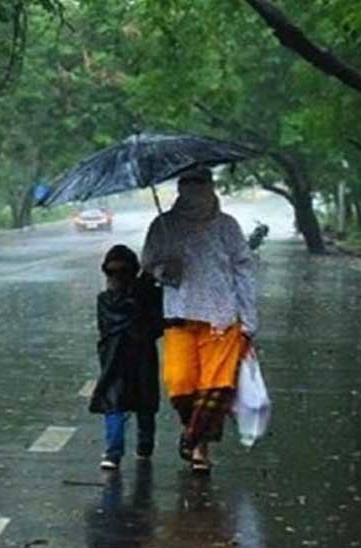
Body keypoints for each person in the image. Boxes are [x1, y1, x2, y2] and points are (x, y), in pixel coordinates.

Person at [141, 166, 257, 474]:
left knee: (214, 388)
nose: (193, 188)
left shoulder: (227, 226)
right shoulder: (163, 225)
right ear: (179, 187)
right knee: (180, 384)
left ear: (210, 185)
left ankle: (197, 445)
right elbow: (148, 261)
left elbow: (243, 271)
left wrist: (248, 319)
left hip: (222, 317)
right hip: (179, 315)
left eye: (200, 182)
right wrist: (163, 271)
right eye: (187, 182)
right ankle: (192, 431)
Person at [90, 244, 164, 470]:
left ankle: (133, 447)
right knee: (125, 402)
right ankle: (125, 449)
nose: (116, 276)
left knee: (132, 402)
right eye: (112, 272)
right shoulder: (112, 299)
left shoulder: (144, 294)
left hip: (129, 357)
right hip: (123, 357)